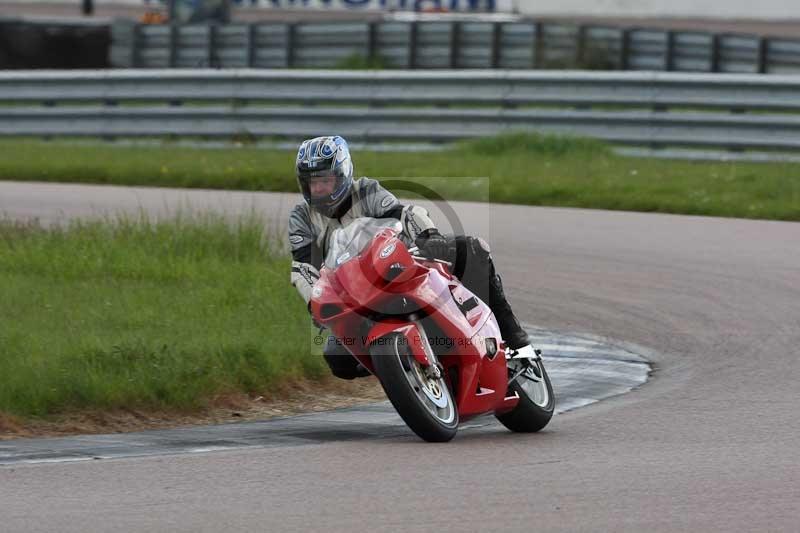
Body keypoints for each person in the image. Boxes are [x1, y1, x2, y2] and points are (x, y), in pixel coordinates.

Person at [289, 135, 532, 379]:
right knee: (337, 359)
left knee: (472, 249)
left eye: (325, 180)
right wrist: (315, 303)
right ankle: (401, 366)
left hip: (398, 264)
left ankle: (515, 342)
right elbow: (303, 267)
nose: (318, 188)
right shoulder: (301, 216)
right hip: (354, 294)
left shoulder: (365, 190)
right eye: (311, 182)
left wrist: (428, 236)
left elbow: (403, 213)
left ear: (342, 174)